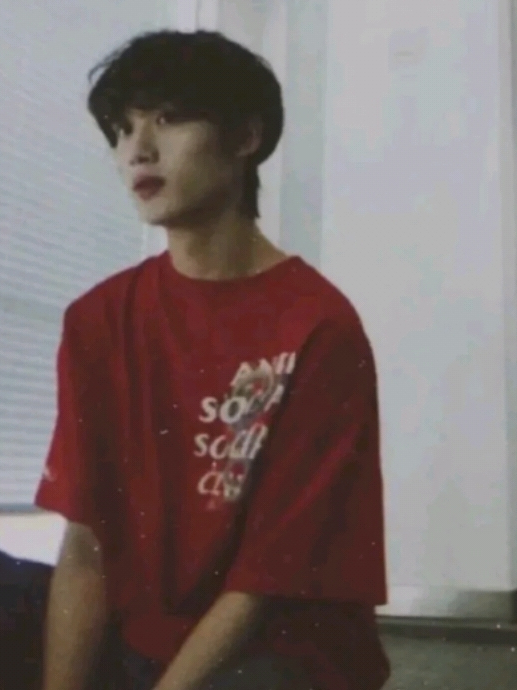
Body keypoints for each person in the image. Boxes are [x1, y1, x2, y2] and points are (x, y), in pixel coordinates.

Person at [34, 29, 390, 690]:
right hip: (140, 632)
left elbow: (268, 579)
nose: (137, 149)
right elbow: (86, 547)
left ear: (246, 137)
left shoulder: (319, 328)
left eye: (168, 119)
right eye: (122, 128)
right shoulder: (97, 319)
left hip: (276, 648)